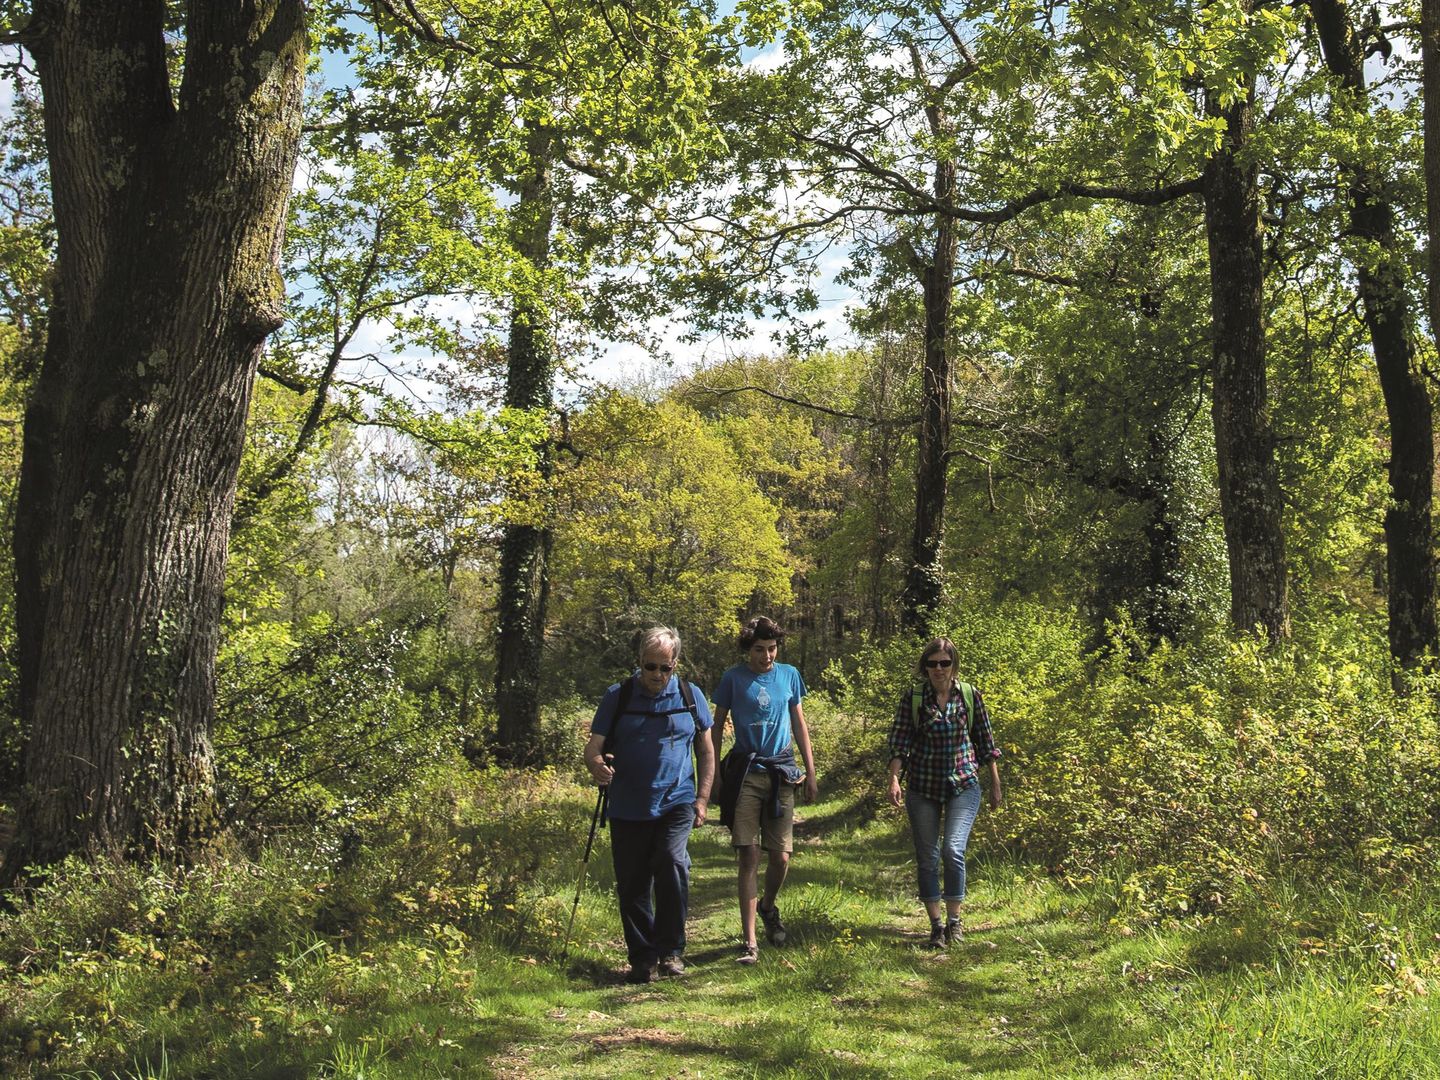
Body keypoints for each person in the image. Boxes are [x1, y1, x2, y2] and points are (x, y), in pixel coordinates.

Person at [584, 626, 715, 984]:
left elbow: (706, 751)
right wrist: (596, 765)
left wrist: (702, 798)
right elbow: (593, 747)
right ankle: (643, 958)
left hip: (677, 799)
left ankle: (671, 950)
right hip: (627, 804)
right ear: (639, 662)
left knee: (672, 863)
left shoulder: (690, 695)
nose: (657, 675)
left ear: (676, 664)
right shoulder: (619, 696)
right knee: (633, 882)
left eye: (665, 668)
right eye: (650, 667)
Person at [711, 615, 817, 964]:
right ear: (748, 649)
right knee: (749, 855)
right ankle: (750, 942)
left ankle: (768, 906)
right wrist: (714, 775)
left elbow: (799, 723)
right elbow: (715, 727)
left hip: (781, 772)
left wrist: (811, 772)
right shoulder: (733, 678)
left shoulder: (789, 675)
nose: (767, 656)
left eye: (772, 649)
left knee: (781, 856)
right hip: (746, 773)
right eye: (759, 649)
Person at [886, 636, 1002, 949]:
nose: (939, 668)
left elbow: (986, 742)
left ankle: (954, 921)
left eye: (945, 663)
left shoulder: (969, 695)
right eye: (933, 663)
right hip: (922, 786)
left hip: (963, 784)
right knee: (928, 856)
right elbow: (900, 741)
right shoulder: (914, 697)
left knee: (953, 849)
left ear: (953, 665)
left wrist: (995, 783)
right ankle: (936, 926)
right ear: (924, 666)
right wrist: (894, 779)